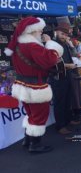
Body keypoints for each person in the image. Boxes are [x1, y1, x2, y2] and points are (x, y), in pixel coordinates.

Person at [4, 17, 63, 153]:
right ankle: (35, 145)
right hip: (36, 88)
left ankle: (27, 140)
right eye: (40, 30)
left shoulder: (18, 44)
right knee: (40, 115)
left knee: (31, 114)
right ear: (33, 31)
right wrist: (49, 43)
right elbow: (50, 60)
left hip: (23, 86)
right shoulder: (32, 46)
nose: (41, 32)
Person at [50, 23, 81, 135]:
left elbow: (71, 57)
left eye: (65, 34)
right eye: (62, 34)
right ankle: (60, 125)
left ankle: (68, 120)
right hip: (58, 77)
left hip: (68, 75)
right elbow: (53, 63)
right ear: (56, 32)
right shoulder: (52, 45)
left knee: (68, 100)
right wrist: (68, 66)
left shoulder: (65, 44)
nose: (64, 36)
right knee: (60, 102)